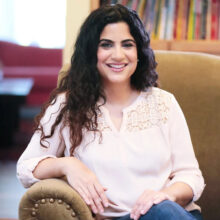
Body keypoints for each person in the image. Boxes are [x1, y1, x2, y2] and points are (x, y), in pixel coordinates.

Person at [17, 4, 205, 220]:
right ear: (91, 52)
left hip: (168, 214)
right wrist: (68, 165)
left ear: (138, 52)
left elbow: (191, 175)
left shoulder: (164, 103)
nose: (118, 55)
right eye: (106, 45)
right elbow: (25, 169)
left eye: (127, 45)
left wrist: (164, 195)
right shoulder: (68, 105)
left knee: (162, 210)